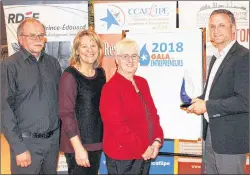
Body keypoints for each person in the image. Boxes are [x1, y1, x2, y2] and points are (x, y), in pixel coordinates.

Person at [184, 9, 249, 174]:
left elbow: (244, 101)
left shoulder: (243, 57)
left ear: (233, 28)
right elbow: (211, 96)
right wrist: (194, 101)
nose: (216, 30)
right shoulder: (215, 58)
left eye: (221, 25)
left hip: (230, 141)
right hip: (211, 135)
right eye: (212, 26)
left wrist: (206, 106)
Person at [1, 18, 62, 174]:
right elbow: (4, 110)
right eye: (32, 35)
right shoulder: (9, 66)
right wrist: (18, 147)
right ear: (21, 39)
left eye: (41, 35)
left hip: (52, 143)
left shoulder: (53, 63)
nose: (38, 39)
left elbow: (60, 100)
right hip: (26, 144)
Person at [99, 38, 164, 174]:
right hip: (123, 158)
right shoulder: (111, 88)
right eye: (125, 56)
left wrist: (157, 140)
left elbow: (152, 114)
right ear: (116, 59)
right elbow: (117, 126)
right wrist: (143, 148)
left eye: (134, 56)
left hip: (146, 152)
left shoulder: (142, 82)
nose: (130, 60)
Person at [59, 29, 106, 175]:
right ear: (77, 51)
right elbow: (66, 114)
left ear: (99, 49)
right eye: (84, 46)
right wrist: (78, 148)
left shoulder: (101, 74)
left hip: (96, 142)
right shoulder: (69, 75)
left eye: (93, 45)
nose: (89, 50)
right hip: (77, 145)